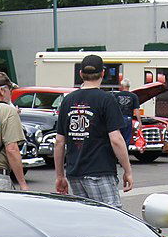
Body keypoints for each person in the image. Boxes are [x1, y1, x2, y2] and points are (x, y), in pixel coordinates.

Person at [53, 54, 132, 207]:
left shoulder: (68, 100)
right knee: (111, 217)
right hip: (100, 171)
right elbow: (116, 139)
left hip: (75, 173)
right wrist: (127, 170)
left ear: (81, 74)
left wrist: (60, 175)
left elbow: (59, 142)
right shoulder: (106, 99)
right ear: (103, 73)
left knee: (87, 221)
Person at [113, 78, 140, 151]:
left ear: (122, 86)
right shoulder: (133, 96)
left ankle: (116, 155)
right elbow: (136, 110)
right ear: (129, 86)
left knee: (117, 138)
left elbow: (112, 108)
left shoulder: (116, 95)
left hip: (118, 119)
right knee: (127, 138)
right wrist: (139, 122)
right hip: (128, 119)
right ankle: (124, 154)